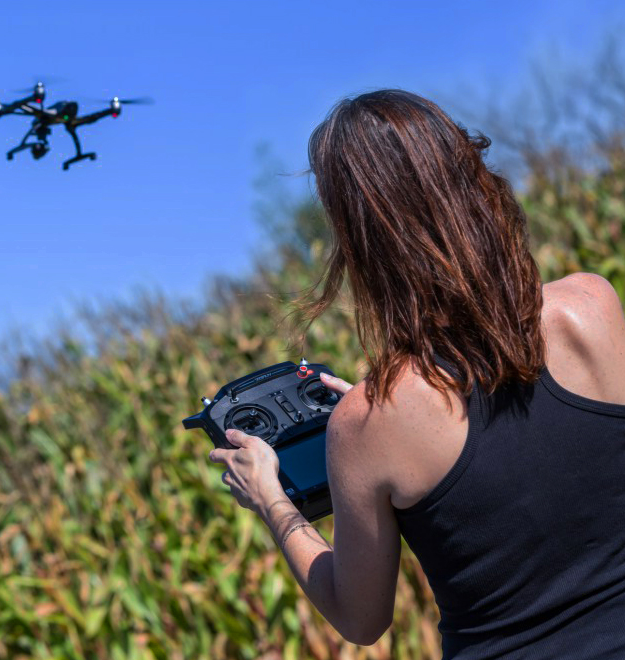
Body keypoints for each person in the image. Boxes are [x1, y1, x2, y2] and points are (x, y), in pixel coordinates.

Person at [208, 89, 625, 658]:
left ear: (360, 240)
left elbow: (360, 618)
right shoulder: (592, 306)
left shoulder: (365, 424)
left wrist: (269, 498)